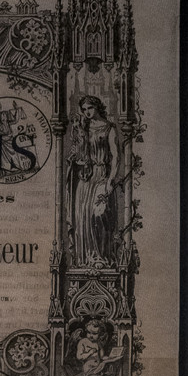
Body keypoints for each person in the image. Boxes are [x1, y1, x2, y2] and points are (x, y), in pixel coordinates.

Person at [69, 94, 122, 267]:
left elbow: (116, 157)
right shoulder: (82, 128)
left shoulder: (109, 128)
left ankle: (102, 256)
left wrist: (111, 181)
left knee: (98, 214)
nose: (87, 112)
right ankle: (88, 259)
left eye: (90, 108)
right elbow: (77, 153)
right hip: (86, 178)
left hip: (102, 175)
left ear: (98, 107)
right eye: (84, 110)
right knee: (83, 218)